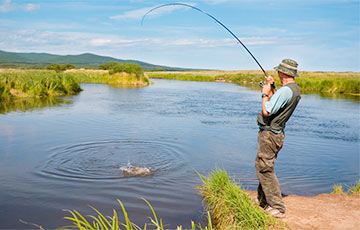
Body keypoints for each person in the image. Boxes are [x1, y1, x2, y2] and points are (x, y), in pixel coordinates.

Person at [255, 59, 301, 218]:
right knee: (262, 165)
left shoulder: (286, 91)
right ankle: (264, 201)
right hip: (275, 134)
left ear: (283, 72)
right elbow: (277, 103)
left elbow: (267, 110)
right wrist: (272, 87)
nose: (277, 73)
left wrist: (264, 92)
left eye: (279, 71)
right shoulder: (292, 89)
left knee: (265, 167)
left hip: (270, 135)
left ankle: (277, 207)